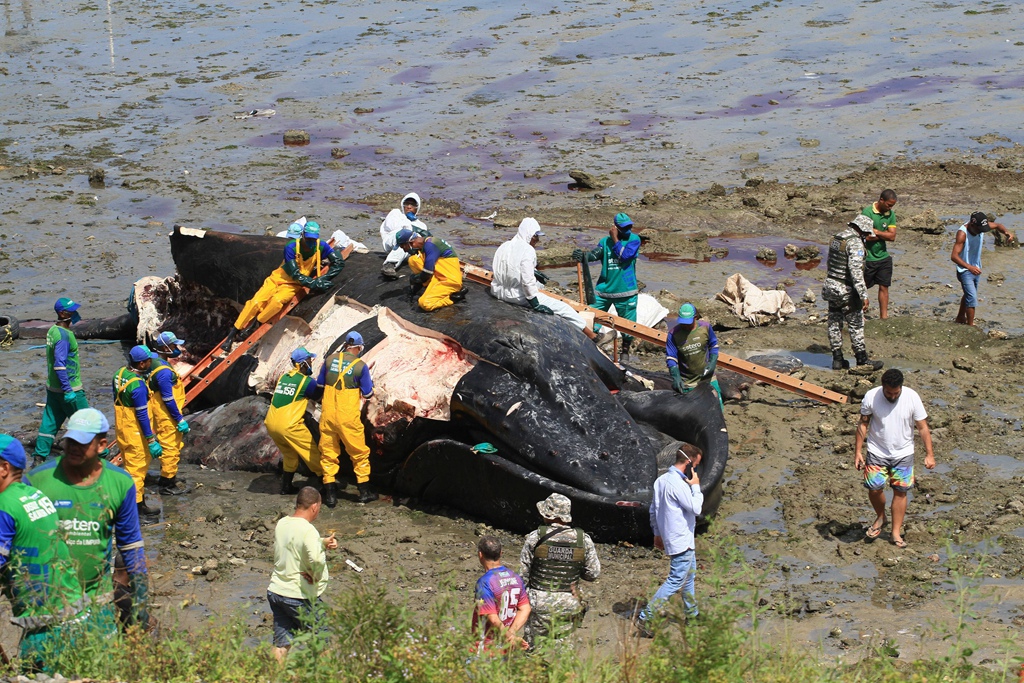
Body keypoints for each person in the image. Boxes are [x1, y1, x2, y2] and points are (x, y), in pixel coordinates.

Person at [25, 408, 152, 631]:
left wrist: (140, 603)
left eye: (82, 443)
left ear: (102, 445)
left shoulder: (120, 484)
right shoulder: (37, 481)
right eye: (70, 441)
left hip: (95, 598)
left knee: (98, 662)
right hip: (46, 599)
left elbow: (130, 546)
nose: (73, 448)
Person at [0, 434, 95, 672]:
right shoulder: (34, 495)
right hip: (75, 614)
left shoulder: (4, 506)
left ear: (4, 468)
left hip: (46, 628)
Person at [222, 221, 343, 350]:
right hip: (277, 279)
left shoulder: (321, 246)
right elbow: (294, 273)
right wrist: (313, 283)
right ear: (302, 235)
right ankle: (232, 334)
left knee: (277, 302)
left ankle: (256, 323)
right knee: (255, 302)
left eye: (313, 239)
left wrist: (325, 278)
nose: (310, 242)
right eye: (308, 238)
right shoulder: (291, 247)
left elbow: (338, 262)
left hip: (293, 285)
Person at [855, 369, 935, 549]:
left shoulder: (912, 397)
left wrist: (929, 454)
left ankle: (895, 532)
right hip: (877, 451)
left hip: (903, 453)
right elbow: (863, 423)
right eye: (889, 393)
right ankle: (880, 517)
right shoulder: (871, 396)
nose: (892, 396)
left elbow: (922, 427)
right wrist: (858, 451)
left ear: (901, 387)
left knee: (900, 491)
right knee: (874, 488)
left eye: (896, 393)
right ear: (882, 386)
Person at [490, 218, 597, 340]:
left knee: (539, 286)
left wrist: (534, 272)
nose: (537, 240)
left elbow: (506, 268)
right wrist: (534, 302)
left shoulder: (505, 246)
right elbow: (527, 281)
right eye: (535, 237)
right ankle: (593, 336)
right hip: (517, 296)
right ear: (528, 234)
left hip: (498, 291)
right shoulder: (527, 250)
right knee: (564, 308)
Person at [635, 445, 703, 638]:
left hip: (676, 538)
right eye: (696, 465)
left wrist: (657, 533)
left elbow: (653, 511)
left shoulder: (661, 480)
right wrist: (696, 486)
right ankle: (646, 617)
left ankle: (692, 614)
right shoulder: (678, 484)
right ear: (689, 463)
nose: (695, 470)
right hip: (681, 539)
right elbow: (696, 508)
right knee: (675, 580)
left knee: (689, 576)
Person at [267, 486, 338, 664]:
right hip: (298, 595)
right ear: (314, 507)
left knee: (281, 643)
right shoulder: (308, 530)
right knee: (323, 640)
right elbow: (315, 558)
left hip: (277, 591)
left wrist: (321, 543)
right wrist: (315, 575)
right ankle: (326, 676)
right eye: (319, 508)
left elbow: (294, 542)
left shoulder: (283, 523)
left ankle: (272, 676)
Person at [518, 493, 600, 644]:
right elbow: (593, 574)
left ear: (549, 514)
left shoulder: (535, 538)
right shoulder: (583, 540)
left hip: (539, 601)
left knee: (532, 647)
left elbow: (522, 576)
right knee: (564, 650)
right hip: (569, 602)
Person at [318, 331, 377, 507]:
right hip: (347, 417)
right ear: (359, 347)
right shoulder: (360, 366)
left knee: (328, 453)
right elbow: (368, 393)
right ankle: (364, 492)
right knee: (359, 453)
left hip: (328, 414)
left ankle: (330, 496)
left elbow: (320, 384)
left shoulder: (329, 360)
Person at [572, 213, 642, 353]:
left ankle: (625, 350)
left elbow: (625, 256)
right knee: (590, 316)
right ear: (616, 227)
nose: (628, 229)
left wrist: (615, 238)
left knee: (628, 325)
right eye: (624, 227)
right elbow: (595, 254)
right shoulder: (605, 242)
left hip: (626, 291)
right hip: (604, 291)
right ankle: (592, 345)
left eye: (629, 226)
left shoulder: (634, 240)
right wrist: (584, 256)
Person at [33, 297, 90, 466]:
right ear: (63, 313)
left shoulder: (53, 330)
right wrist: (68, 390)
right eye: (72, 311)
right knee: (87, 422)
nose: (75, 314)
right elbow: (60, 364)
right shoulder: (64, 336)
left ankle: (38, 458)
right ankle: (102, 456)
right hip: (70, 388)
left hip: (53, 388)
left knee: (49, 424)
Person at [822, 215, 884, 371]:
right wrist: (863, 295)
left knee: (834, 322)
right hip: (846, 289)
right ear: (862, 230)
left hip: (831, 285)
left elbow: (830, 262)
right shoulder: (855, 243)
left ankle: (837, 359)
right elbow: (855, 271)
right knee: (856, 324)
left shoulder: (837, 238)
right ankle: (862, 359)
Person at [112, 345, 162, 523]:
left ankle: (141, 506)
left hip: (122, 429)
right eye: (149, 360)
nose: (151, 362)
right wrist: (151, 439)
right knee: (137, 472)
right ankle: (135, 514)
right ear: (141, 364)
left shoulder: (119, 374)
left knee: (130, 468)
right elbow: (141, 414)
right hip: (135, 432)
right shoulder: (138, 386)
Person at [266, 347, 325, 495]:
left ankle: (286, 487)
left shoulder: (284, 377)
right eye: (310, 360)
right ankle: (325, 484)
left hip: (271, 423)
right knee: (312, 453)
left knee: (290, 455)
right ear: (303, 363)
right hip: (289, 425)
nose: (311, 362)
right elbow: (319, 397)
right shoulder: (306, 382)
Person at [147, 331, 192, 496]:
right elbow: (167, 398)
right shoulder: (164, 372)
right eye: (173, 345)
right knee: (170, 449)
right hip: (167, 415)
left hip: (158, 411)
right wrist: (179, 419)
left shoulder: (154, 362)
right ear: (165, 347)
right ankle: (167, 483)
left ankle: (167, 477)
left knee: (169, 447)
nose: (176, 348)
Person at [950, 211, 1015, 326]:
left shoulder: (981, 226)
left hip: (976, 267)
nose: (981, 232)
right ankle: (970, 326)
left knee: (969, 293)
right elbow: (954, 256)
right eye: (979, 229)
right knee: (972, 297)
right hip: (964, 269)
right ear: (972, 225)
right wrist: (969, 267)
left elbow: (998, 225)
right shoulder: (962, 234)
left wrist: (1006, 232)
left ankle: (960, 317)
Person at [472, 535, 530, 654]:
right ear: (501, 553)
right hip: (507, 647)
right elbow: (526, 608)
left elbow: (492, 617)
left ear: (480, 554)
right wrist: (512, 633)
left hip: (486, 649)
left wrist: (508, 635)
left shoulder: (484, 583)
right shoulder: (515, 578)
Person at [395, 228, 467, 311]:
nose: (404, 250)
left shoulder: (431, 245)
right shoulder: (426, 242)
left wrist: (416, 279)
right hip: (440, 274)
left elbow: (427, 272)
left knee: (425, 304)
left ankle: (453, 298)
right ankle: (429, 284)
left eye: (403, 246)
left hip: (449, 280)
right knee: (413, 260)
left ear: (410, 243)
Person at [665, 303, 721, 403]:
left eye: (688, 322)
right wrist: (675, 376)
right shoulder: (673, 334)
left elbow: (713, 346)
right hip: (688, 382)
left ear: (695, 317)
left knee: (716, 408)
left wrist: (712, 363)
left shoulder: (705, 328)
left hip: (708, 377)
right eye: (683, 322)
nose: (685, 325)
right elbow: (671, 358)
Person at [860, 189, 898, 320]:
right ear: (881, 200)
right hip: (868, 257)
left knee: (884, 286)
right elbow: (866, 237)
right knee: (862, 286)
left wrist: (876, 232)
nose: (890, 208)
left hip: (883, 256)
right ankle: (858, 314)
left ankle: (884, 317)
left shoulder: (890, 214)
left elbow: (892, 237)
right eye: (888, 205)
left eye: (892, 205)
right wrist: (884, 235)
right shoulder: (867, 212)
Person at [380, 192, 430, 279]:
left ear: (417, 208)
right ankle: (389, 264)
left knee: (408, 244)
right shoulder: (396, 214)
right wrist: (414, 229)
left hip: (407, 249)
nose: (409, 207)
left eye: (413, 205)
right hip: (391, 242)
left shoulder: (422, 225)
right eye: (406, 204)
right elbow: (396, 229)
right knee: (404, 235)